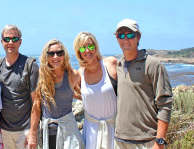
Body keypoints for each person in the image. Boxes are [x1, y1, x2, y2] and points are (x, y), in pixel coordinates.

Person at [114, 18, 173, 149]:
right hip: (120, 140)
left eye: (130, 34)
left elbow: (165, 103)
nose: (125, 39)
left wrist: (160, 141)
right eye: (121, 35)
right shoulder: (118, 65)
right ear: (116, 38)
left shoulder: (153, 64)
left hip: (146, 141)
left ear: (138, 37)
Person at [27, 39, 85, 149]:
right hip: (49, 132)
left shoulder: (73, 75)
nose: (55, 57)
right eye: (51, 53)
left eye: (59, 53)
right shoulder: (40, 75)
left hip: (69, 130)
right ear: (46, 56)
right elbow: (36, 106)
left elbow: (87, 96)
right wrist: (32, 134)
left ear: (64, 55)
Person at [0, 25, 39, 149]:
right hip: (3, 131)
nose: (10, 42)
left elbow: (37, 102)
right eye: (7, 39)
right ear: (1, 42)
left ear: (20, 42)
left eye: (14, 39)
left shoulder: (30, 65)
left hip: (25, 131)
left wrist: (33, 134)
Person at [73, 31, 118, 149]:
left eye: (91, 46)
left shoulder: (111, 63)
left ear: (96, 47)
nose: (87, 50)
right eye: (83, 48)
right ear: (78, 52)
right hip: (91, 132)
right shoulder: (80, 74)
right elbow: (74, 93)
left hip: (115, 129)